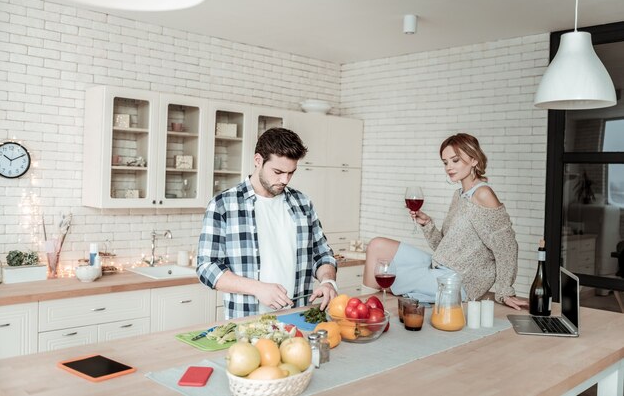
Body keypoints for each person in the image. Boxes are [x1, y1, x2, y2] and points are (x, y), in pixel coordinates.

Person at [363, 133, 528, 310]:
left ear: (474, 160)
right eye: (445, 162)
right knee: (377, 245)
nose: (449, 167)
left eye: (455, 160)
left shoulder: (483, 194)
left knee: (388, 276)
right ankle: (369, 306)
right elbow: (444, 246)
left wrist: (504, 291)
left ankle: (369, 309)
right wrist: (427, 224)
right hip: (439, 265)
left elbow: (507, 247)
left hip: (459, 280)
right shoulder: (459, 195)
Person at [197, 127, 338, 319]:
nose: (284, 180)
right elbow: (207, 267)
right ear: (258, 160)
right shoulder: (224, 204)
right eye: (278, 171)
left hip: (298, 318)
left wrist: (328, 281)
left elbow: (322, 255)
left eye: (291, 173)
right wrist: (257, 288)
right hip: (247, 322)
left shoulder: (303, 203)